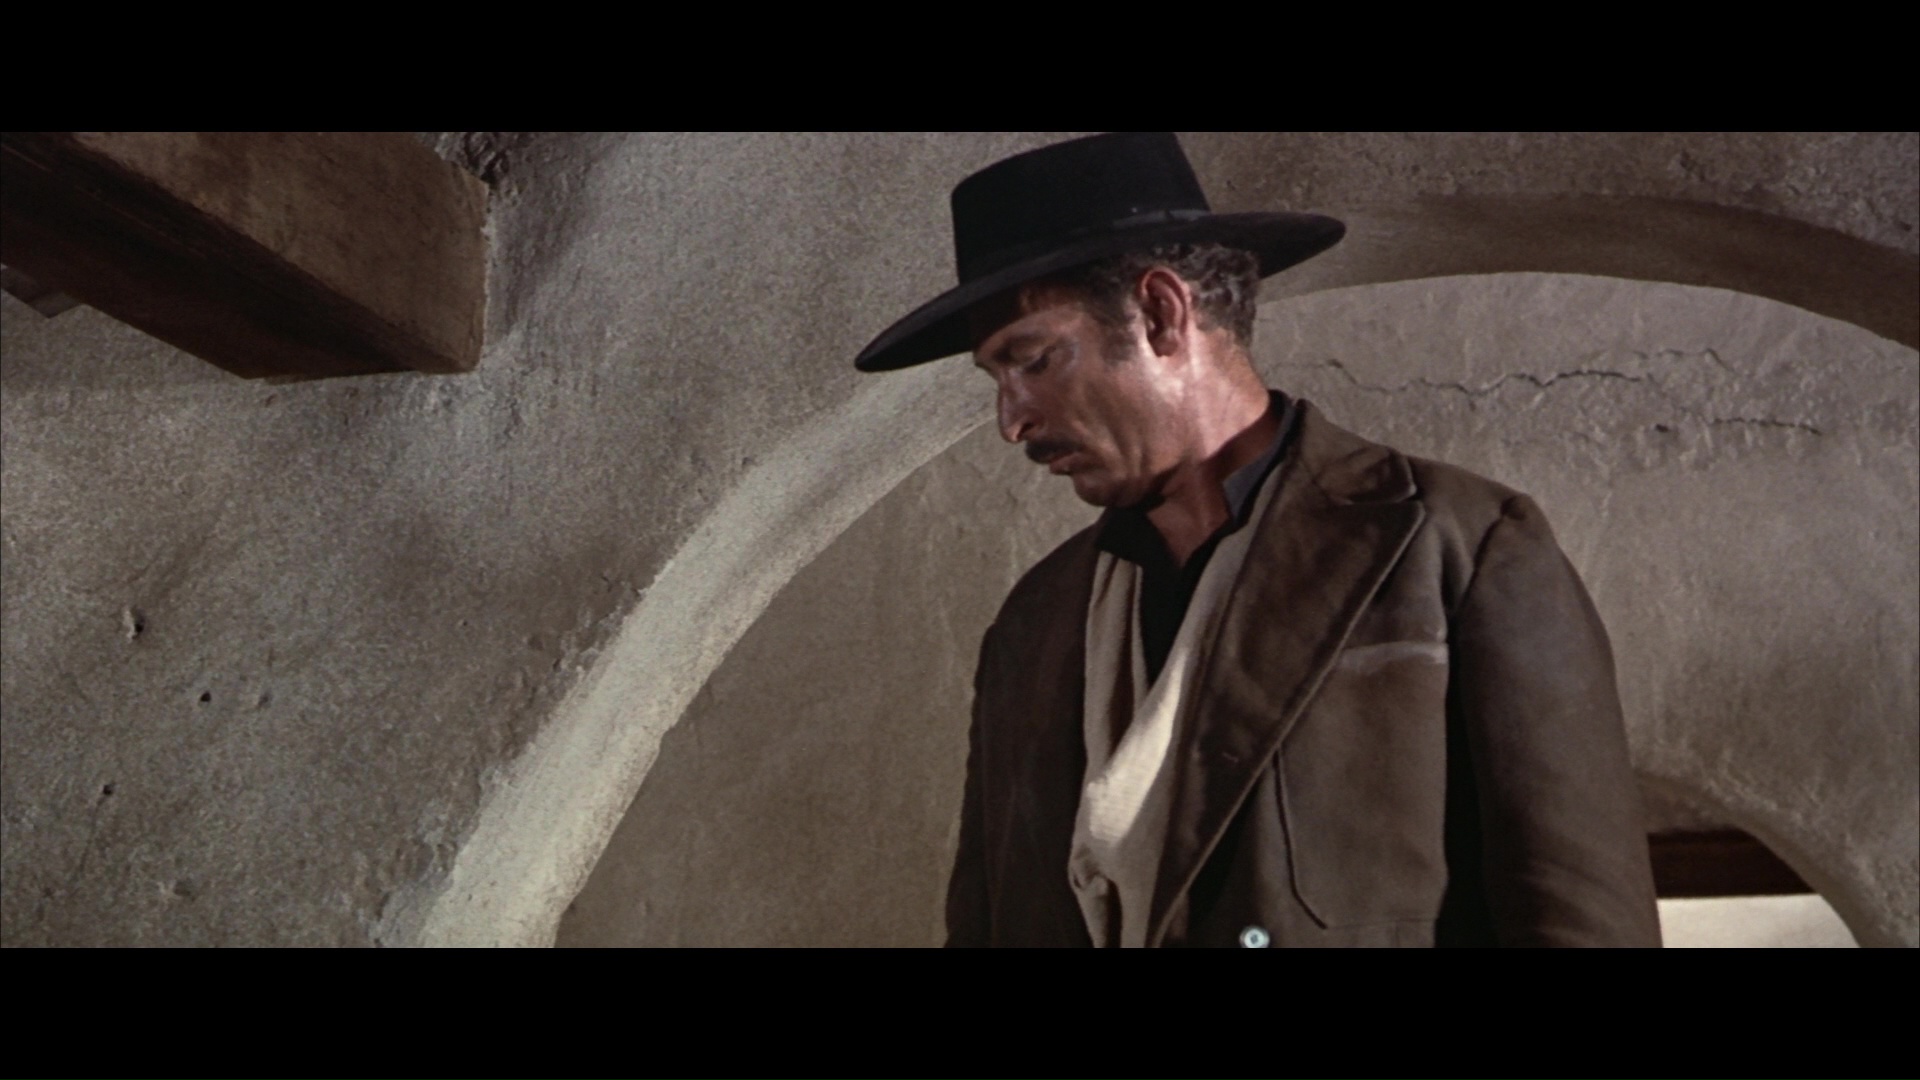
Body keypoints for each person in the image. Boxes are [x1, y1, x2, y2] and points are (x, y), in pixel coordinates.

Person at [855, 132, 1660, 947]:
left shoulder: (1457, 544)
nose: (1012, 420)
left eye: (1032, 361)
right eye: (996, 380)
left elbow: (1583, 927)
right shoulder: (1033, 623)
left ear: (1161, 314)